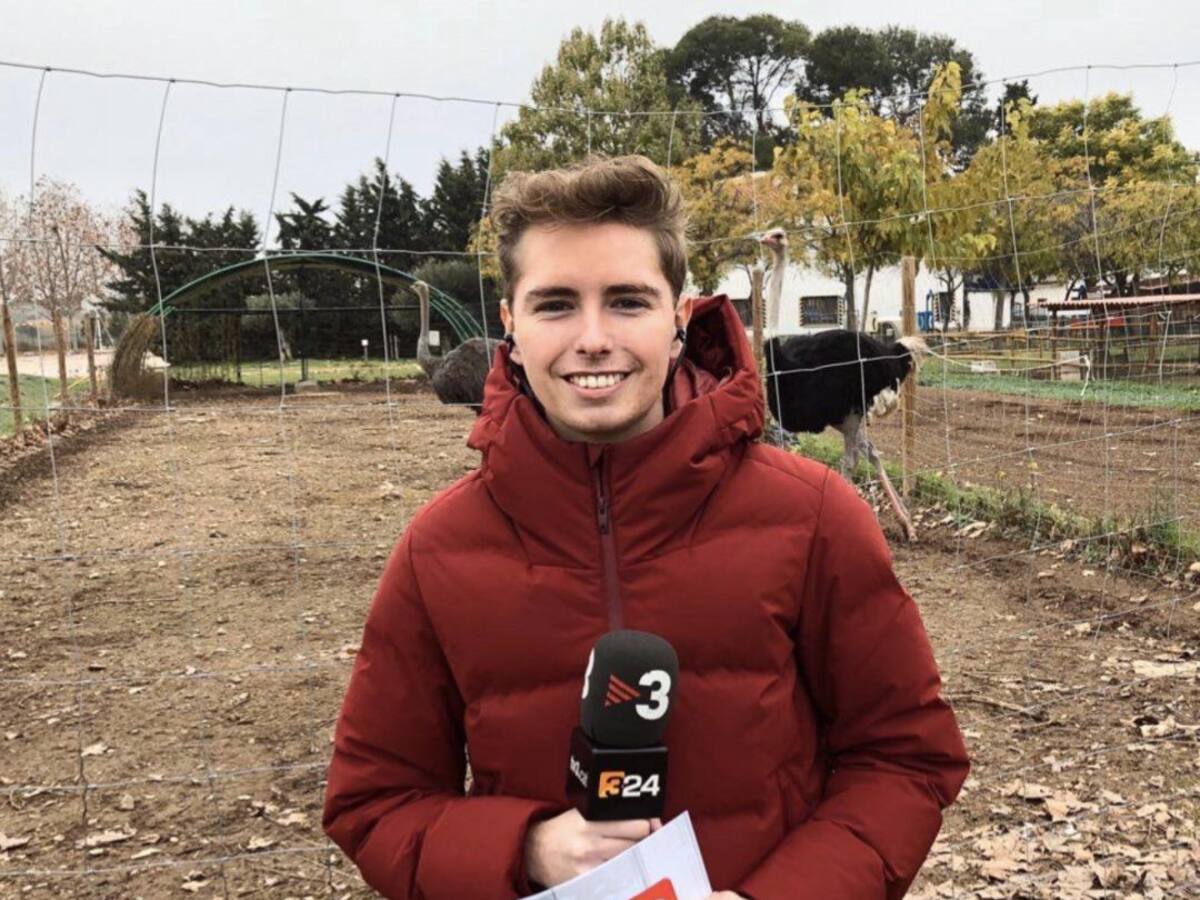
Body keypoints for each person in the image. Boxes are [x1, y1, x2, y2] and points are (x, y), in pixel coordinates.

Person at [323, 154, 970, 900]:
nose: (593, 338)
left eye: (628, 302)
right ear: (511, 327)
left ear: (679, 319)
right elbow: (375, 803)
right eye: (555, 305)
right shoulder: (438, 551)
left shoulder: (814, 518)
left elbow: (904, 758)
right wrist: (524, 847)